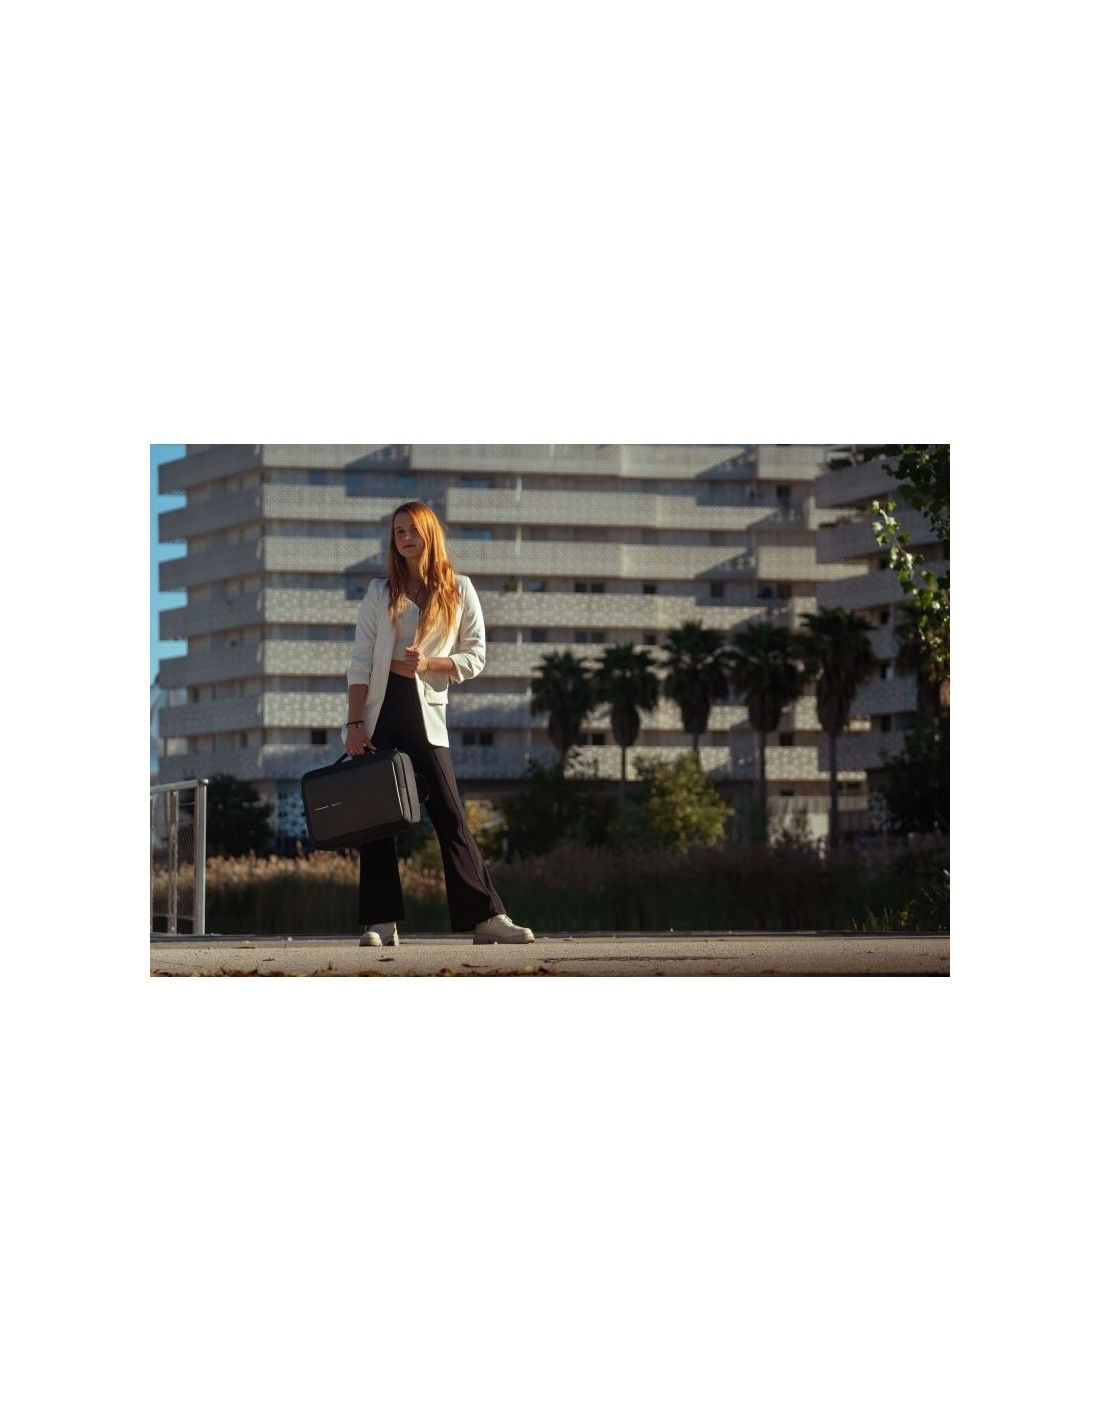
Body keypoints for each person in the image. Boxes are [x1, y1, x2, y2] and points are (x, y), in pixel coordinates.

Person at [343, 501, 535, 948]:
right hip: (379, 713)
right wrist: (355, 724)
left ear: (430, 533)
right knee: (377, 820)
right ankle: (380, 922)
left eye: (412, 529)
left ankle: (487, 917)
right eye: (398, 531)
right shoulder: (379, 591)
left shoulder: (459, 589)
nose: (405, 538)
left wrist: (430, 663)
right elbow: (359, 661)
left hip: (426, 713)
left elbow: (476, 655)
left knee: (450, 816)